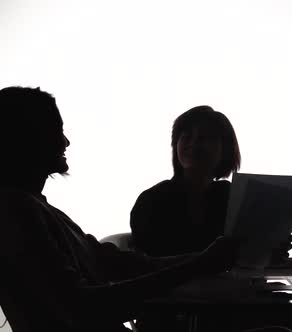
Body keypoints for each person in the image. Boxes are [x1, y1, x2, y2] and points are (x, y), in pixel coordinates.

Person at [0, 86, 235, 332]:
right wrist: (198, 265)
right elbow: (84, 306)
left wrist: (202, 261)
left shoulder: (32, 210)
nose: (65, 141)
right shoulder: (18, 213)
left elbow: (118, 263)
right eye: (55, 131)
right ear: (26, 139)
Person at [130, 105, 292, 332]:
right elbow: (155, 267)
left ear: (225, 150)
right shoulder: (152, 201)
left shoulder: (230, 196)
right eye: (186, 137)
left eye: (205, 138)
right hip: (177, 312)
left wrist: (270, 249)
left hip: (227, 301)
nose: (194, 144)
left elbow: (245, 256)